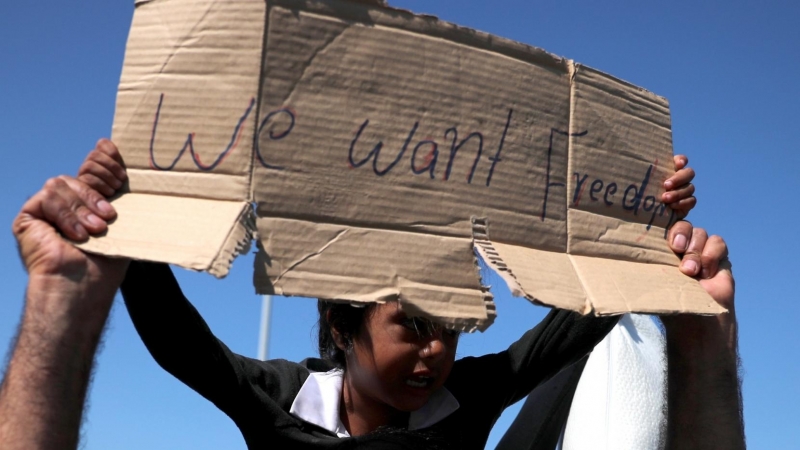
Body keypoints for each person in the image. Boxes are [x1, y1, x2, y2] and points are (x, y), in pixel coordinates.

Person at [0, 139, 744, 449]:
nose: (435, 352)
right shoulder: (282, 400)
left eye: (453, 329)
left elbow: (564, 333)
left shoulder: (468, 397)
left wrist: (643, 231)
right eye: (413, 327)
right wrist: (130, 229)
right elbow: (182, 347)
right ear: (343, 328)